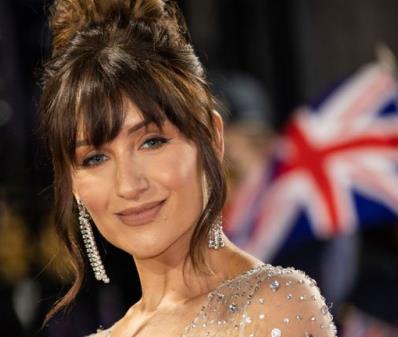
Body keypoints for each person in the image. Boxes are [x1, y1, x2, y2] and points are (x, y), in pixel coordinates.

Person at [37, 0, 337, 336]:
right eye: (95, 158)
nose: (129, 185)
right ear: (72, 181)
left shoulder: (275, 307)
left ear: (211, 138)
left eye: (151, 142)